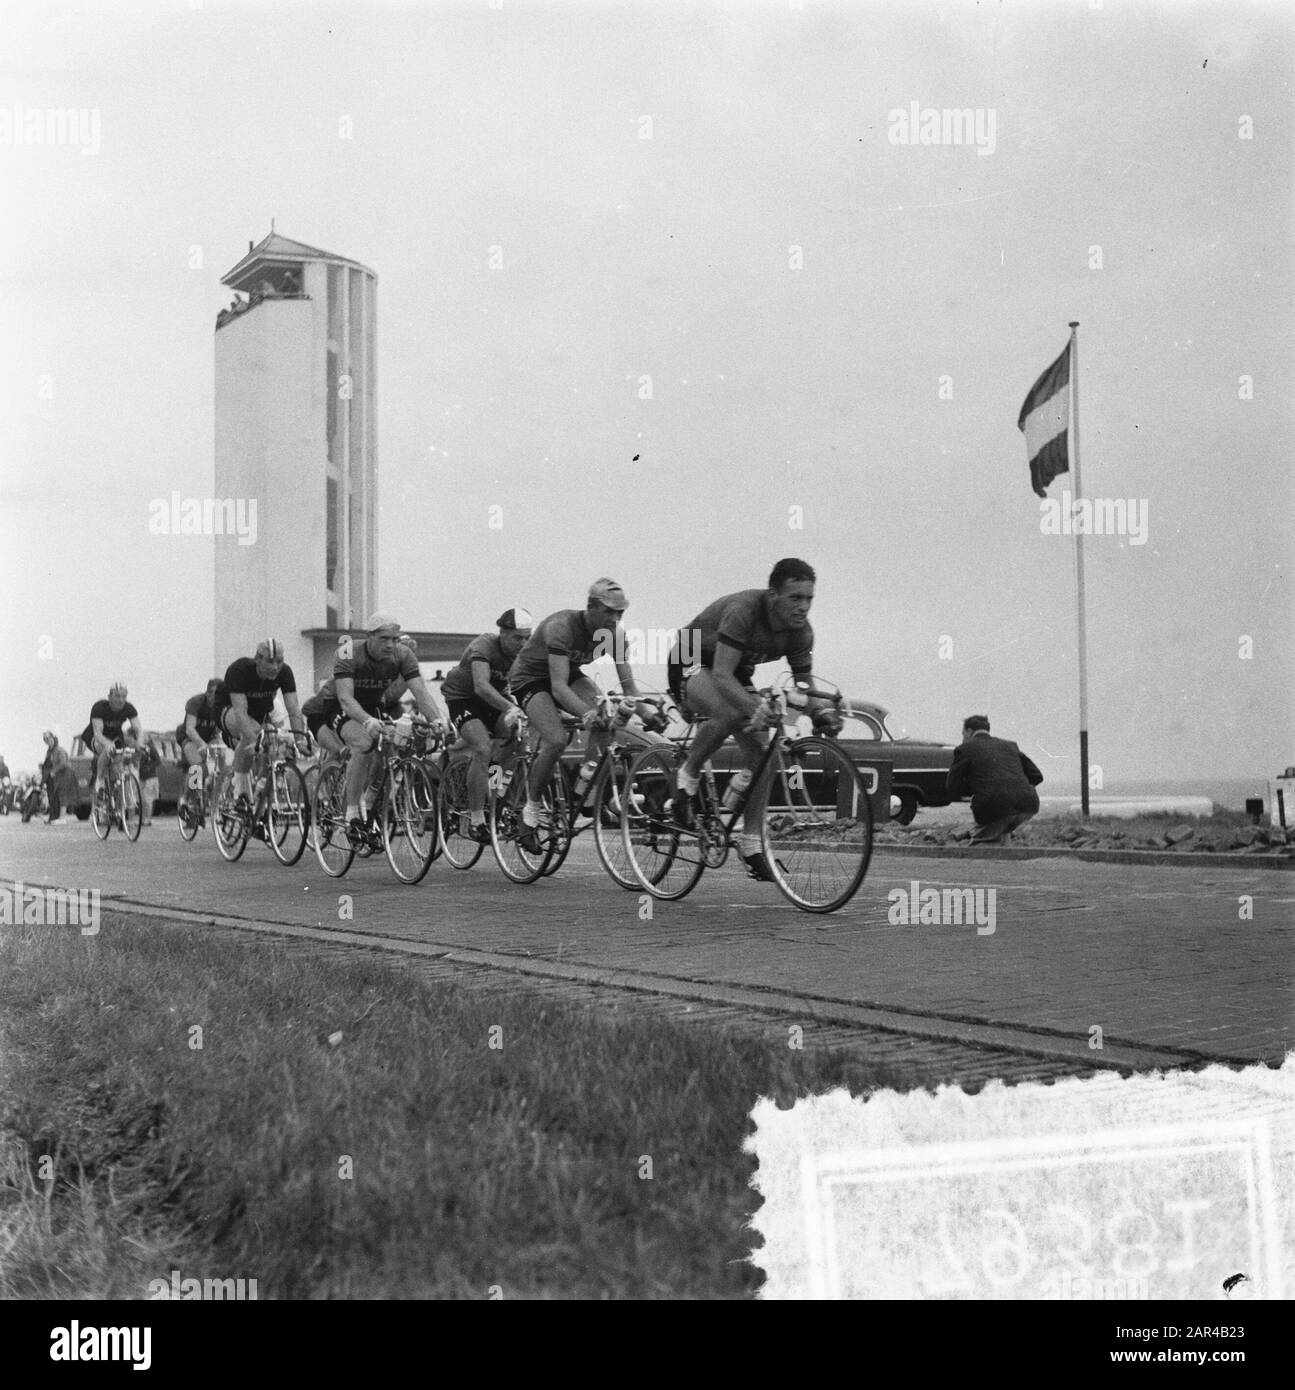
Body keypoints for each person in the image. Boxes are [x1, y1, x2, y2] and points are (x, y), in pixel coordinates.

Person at [665, 558, 842, 881]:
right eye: (795, 598)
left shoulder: (801, 633)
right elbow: (720, 676)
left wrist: (821, 712)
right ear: (773, 595)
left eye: (809, 599)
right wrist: (754, 706)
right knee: (732, 711)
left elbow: (804, 686)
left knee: (765, 753)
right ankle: (687, 775)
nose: (803, 607)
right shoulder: (744, 610)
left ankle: (751, 845)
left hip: (734, 667)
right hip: (690, 655)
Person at [507, 580, 660, 854]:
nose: (615, 619)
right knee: (555, 740)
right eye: (609, 612)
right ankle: (529, 813)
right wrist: (585, 713)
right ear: (590, 608)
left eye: (620, 613)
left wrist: (647, 710)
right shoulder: (561, 627)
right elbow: (557, 687)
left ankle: (586, 789)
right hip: (531, 679)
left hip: (568, 674)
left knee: (606, 712)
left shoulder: (616, 635)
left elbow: (629, 689)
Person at [318, 613, 448, 835]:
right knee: (363, 743)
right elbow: (346, 699)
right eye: (384, 639)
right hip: (339, 705)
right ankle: (352, 815)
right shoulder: (348, 650)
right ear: (369, 636)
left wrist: (437, 720)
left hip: (375, 705)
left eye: (395, 639)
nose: (391, 645)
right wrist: (367, 721)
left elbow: (421, 693)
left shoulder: (404, 654)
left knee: (392, 749)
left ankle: (370, 803)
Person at [439, 609, 532, 843]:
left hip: (494, 699)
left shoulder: (526, 653)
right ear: (502, 633)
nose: (523, 643)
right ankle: (476, 819)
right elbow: (481, 686)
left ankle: (496, 796)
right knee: (482, 747)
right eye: (517, 638)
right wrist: (510, 708)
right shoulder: (484, 645)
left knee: (517, 740)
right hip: (463, 698)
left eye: (527, 637)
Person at [212, 639, 307, 810]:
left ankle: (261, 807)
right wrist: (254, 740)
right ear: (257, 659)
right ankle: (240, 792)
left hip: (259, 713)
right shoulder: (239, 670)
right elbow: (241, 712)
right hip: (229, 710)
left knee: (272, 742)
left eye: (279, 661)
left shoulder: (285, 673)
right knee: (253, 733)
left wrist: (300, 740)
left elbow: (293, 710)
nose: (275, 667)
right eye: (270, 662)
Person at [945, 715, 1044, 844]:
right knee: (1003, 830)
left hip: (993, 805)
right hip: (1028, 804)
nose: (963, 738)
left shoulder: (964, 749)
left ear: (969, 731)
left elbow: (953, 786)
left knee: (982, 845)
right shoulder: (1010, 745)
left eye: (963, 734)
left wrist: (978, 789)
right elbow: (1037, 776)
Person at [86, 681, 142, 791]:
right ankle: (100, 779)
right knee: (107, 750)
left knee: (118, 765)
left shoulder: (129, 708)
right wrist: (107, 744)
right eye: (117, 696)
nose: (121, 700)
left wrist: (140, 742)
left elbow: (138, 729)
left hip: (115, 735)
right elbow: (98, 733)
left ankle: (118, 801)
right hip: (95, 736)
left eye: (124, 696)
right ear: (109, 697)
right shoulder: (99, 707)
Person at [39, 729, 73, 825]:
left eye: (48, 739)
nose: (47, 741)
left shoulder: (59, 750)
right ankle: (54, 817)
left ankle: (61, 818)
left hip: (63, 776)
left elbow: (63, 763)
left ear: (53, 738)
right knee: (53, 797)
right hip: (54, 777)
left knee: (61, 796)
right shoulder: (49, 751)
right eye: (45, 739)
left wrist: (54, 771)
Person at [138, 739, 160, 826]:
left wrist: (149, 767)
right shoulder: (142, 748)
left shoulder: (151, 748)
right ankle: (143, 819)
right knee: (142, 800)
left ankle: (148, 819)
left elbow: (158, 761)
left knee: (148, 800)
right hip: (142, 777)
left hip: (150, 777)